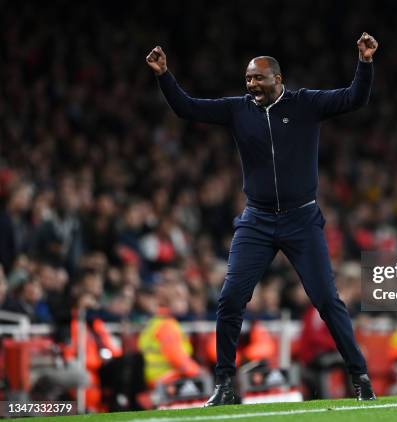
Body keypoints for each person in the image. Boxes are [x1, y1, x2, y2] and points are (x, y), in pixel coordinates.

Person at [146, 32, 379, 405]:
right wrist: (164, 76)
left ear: (278, 80)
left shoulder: (305, 104)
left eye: (259, 78)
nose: (252, 84)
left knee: (326, 299)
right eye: (248, 79)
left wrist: (364, 64)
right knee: (230, 299)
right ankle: (224, 384)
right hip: (257, 221)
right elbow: (187, 108)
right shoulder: (238, 109)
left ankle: (360, 376)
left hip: (302, 220)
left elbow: (355, 97)